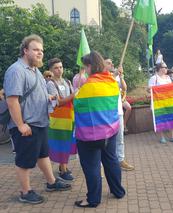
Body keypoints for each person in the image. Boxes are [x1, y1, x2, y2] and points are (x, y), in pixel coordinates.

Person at [3, 34, 71, 204]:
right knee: (24, 160)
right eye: (35, 50)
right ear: (25, 51)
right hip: (27, 125)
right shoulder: (16, 71)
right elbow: (12, 101)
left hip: (39, 123)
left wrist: (48, 97)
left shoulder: (35, 70)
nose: (40, 53)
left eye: (41, 50)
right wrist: (20, 125)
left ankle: (51, 183)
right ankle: (25, 193)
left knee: (43, 154)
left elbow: (37, 92)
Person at [74, 51, 125, 208]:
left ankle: (93, 199)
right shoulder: (111, 82)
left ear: (90, 66)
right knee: (111, 161)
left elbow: (77, 104)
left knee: (92, 166)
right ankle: (118, 191)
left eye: (85, 66)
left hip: (90, 135)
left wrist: (77, 93)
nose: (85, 70)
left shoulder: (88, 86)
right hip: (110, 131)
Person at [46, 58, 77, 181]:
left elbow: (71, 99)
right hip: (57, 118)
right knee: (61, 141)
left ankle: (62, 166)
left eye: (61, 67)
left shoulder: (67, 82)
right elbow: (58, 102)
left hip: (69, 117)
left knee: (67, 141)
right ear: (51, 70)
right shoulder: (50, 84)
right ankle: (63, 170)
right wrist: (74, 95)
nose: (59, 70)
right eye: (56, 68)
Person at [105, 58, 135, 171]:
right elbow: (106, 85)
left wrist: (121, 76)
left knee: (120, 138)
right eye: (108, 63)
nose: (111, 64)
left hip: (118, 111)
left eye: (112, 62)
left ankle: (120, 160)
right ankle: (107, 162)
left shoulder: (116, 76)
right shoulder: (102, 77)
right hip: (107, 112)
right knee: (107, 139)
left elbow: (124, 88)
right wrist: (115, 75)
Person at [148, 62, 173, 144]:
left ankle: (172, 136)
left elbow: (171, 89)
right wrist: (157, 89)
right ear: (160, 68)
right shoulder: (154, 78)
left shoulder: (168, 78)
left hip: (168, 102)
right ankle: (162, 137)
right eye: (165, 67)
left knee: (172, 117)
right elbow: (148, 89)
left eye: (166, 67)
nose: (166, 68)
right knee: (160, 119)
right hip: (159, 103)